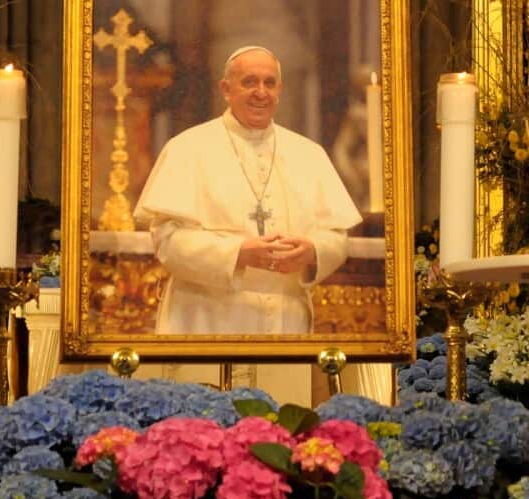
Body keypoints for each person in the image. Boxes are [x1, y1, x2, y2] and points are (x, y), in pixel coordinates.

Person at [133, 46, 363, 334]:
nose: (261, 92)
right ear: (226, 89)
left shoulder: (309, 153)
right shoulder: (187, 148)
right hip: (203, 318)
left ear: (280, 89)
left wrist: (312, 251)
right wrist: (238, 252)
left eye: (269, 83)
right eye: (249, 82)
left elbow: (337, 237)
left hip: (285, 321)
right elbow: (167, 241)